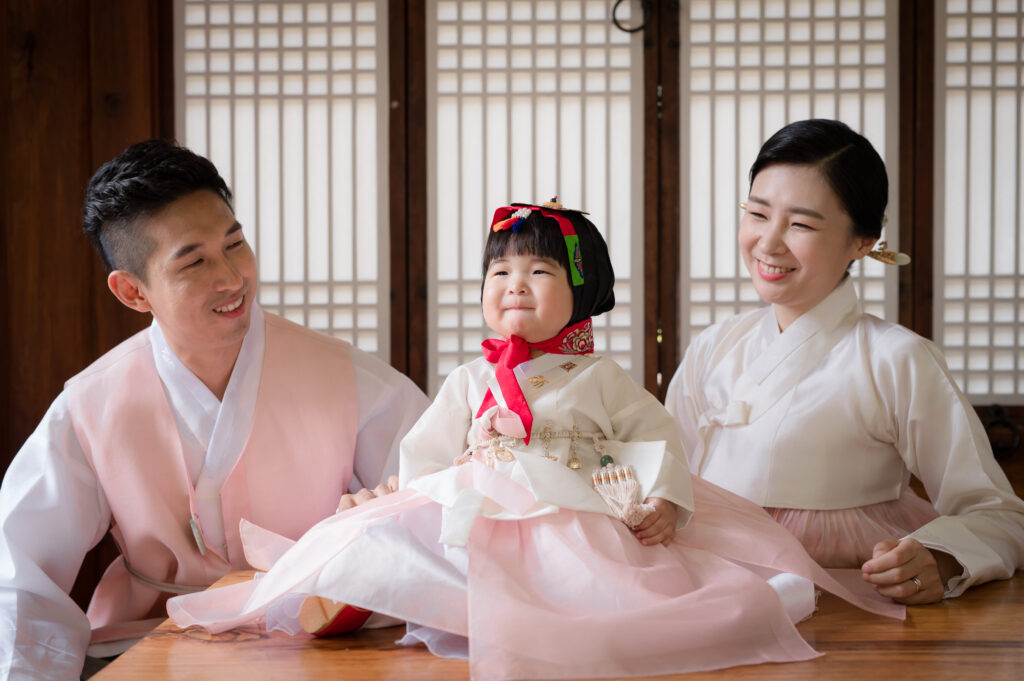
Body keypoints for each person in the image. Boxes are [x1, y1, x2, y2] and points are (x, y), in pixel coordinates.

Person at [167, 200, 901, 681]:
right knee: (380, 533)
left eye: (539, 270)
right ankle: (344, 578)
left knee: (593, 598)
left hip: (575, 516)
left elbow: (658, 438)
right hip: (477, 506)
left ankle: (392, 594)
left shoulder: (601, 378)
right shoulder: (468, 376)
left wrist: (667, 502)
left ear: (581, 294)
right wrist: (404, 487)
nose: (514, 283)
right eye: (500, 270)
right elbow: (426, 448)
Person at [0, 139, 429, 680]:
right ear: (133, 291)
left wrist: (374, 528)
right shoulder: (90, 407)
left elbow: (432, 514)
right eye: (194, 261)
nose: (231, 278)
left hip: (316, 641)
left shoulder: (352, 381)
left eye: (235, 244)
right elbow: (18, 578)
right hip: (146, 645)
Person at [665, 119, 1024, 605]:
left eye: (801, 224)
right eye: (757, 213)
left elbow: (998, 512)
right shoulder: (714, 346)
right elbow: (665, 479)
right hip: (706, 581)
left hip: (844, 591)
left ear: (863, 242)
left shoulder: (897, 359)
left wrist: (940, 557)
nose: (768, 243)